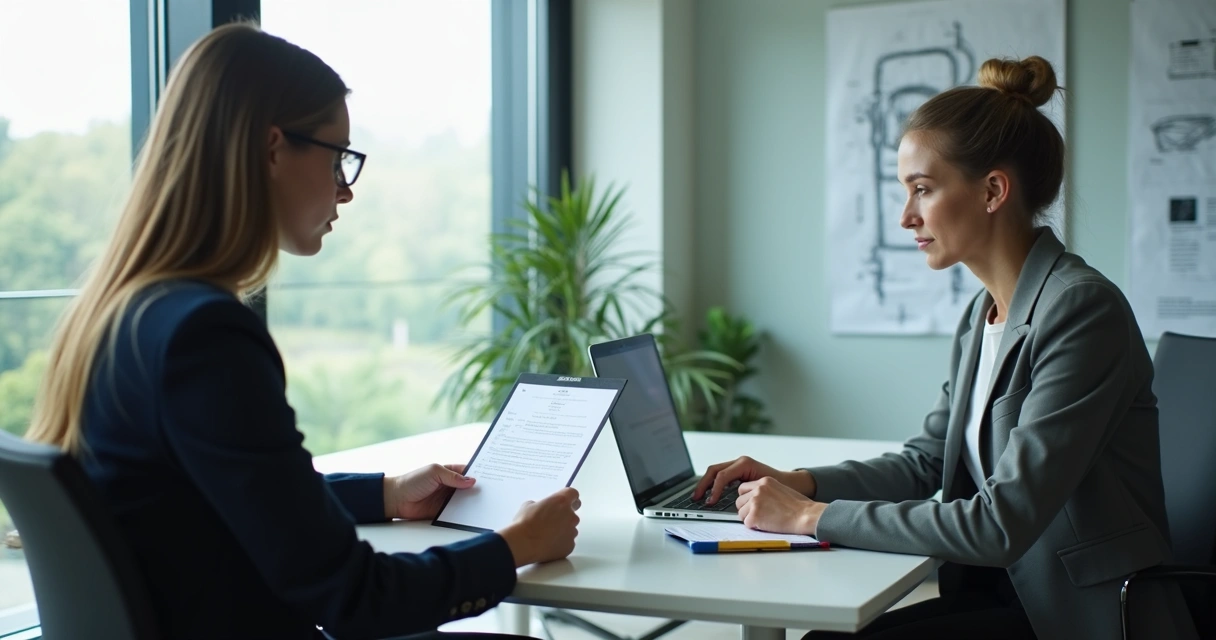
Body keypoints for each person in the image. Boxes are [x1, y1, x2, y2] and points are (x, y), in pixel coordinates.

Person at [24, 22, 578, 640]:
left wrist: (388, 494)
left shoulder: (120, 316)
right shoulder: (206, 338)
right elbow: (359, 601)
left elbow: (226, 502)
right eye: (338, 155)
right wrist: (515, 546)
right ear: (271, 149)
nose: (345, 189)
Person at [692, 56, 1197, 640]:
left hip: (1073, 615)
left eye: (923, 190)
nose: (906, 216)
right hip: (1006, 593)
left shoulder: (1083, 311)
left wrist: (811, 517)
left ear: (992, 191)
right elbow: (928, 461)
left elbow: (1000, 524)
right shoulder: (982, 314)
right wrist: (799, 481)